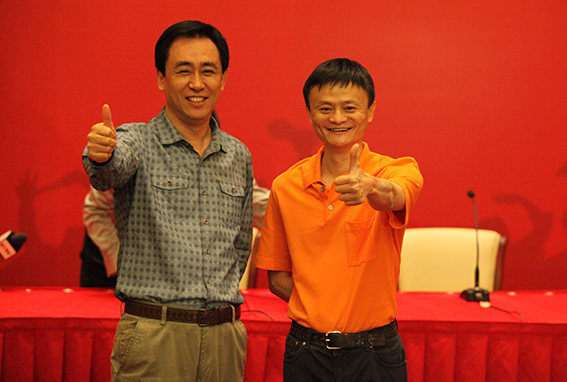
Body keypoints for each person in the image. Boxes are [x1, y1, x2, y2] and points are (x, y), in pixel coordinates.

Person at [82, 20, 253, 382]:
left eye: (208, 71)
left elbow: (240, 244)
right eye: (183, 70)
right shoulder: (136, 140)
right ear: (161, 78)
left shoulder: (238, 155)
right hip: (155, 335)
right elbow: (108, 172)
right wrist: (101, 154)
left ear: (223, 79)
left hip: (224, 338)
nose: (197, 83)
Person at [255, 58, 424, 382]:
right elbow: (277, 277)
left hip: (375, 353)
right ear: (309, 113)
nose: (337, 118)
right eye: (325, 109)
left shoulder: (396, 170)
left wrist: (371, 187)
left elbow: (396, 195)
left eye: (349, 108)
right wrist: (321, 311)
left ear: (370, 111)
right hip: (306, 351)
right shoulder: (286, 186)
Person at [79, 180, 270, 288]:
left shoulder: (228, 161)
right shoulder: (135, 155)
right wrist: (119, 258)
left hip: (170, 264)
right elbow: (96, 210)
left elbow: (264, 205)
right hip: (112, 254)